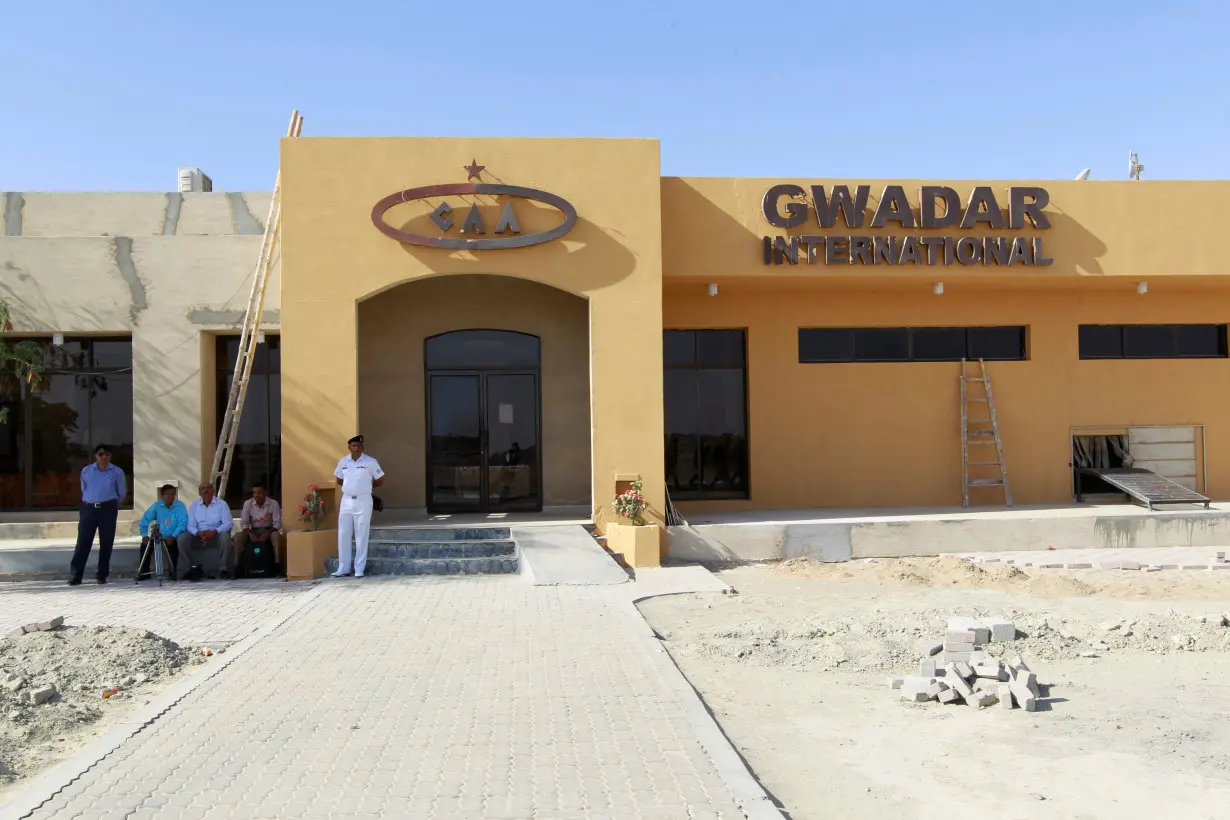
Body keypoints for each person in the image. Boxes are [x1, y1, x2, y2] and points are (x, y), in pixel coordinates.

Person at [68, 444, 127, 586]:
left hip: (108, 509)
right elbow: (84, 489)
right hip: (88, 509)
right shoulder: (87, 471)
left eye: (107, 454)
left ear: (110, 456)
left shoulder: (117, 472)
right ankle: (76, 575)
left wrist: (111, 505)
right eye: (101, 454)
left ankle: (102, 575)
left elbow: (122, 493)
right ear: (96, 456)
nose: (104, 456)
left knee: (106, 542)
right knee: (83, 542)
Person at [332, 435, 385, 578]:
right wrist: (350, 487)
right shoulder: (343, 461)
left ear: (362, 448)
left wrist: (368, 486)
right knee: (344, 533)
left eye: (359, 446)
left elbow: (380, 479)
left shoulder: (370, 462)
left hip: (363, 500)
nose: (356, 448)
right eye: (353, 446)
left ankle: (359, 568)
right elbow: (338, 479)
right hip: (347, 500)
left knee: (361, 534)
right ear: (349, 448)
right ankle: (343, 567)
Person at [137, 484, 189, 580]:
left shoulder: (180, 506)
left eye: (173, 494)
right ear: (162, 496)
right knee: (145, 545)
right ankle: (144, 573)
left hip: (174, 536)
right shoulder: (157, 506)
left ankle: (172, 572)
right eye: (167, 494)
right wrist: (144, 535)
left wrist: (173, 536)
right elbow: (144, 520)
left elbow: (183, 523)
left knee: (173, 546)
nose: (170, 496)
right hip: (160, 536)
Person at [186, 481, 235, 579]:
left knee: (225, 538)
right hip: (200, 535)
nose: (205, 490)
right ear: (199, 492)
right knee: (182, 539)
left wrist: (214, 532)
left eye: (208, 488)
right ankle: (188, 570)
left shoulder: (222, 504)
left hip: (217, 534)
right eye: (202, 489)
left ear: (213, 490)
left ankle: (223, 569)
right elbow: (190, 525)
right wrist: (198, 533)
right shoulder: (194, 505)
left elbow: (228, 523)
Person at [235, 483, 283, 569]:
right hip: (253, 531)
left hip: (269, 530)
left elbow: (277, 523)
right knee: (238, 537)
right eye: (254, 493)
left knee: (276, 536)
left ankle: (277, 565)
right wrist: (250, 534)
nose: (256, 495)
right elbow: (244, 523)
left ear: (265, 493)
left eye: (259, 493)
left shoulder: (273, 503)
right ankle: (237, 566)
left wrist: (267, 534)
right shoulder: (248, 503)